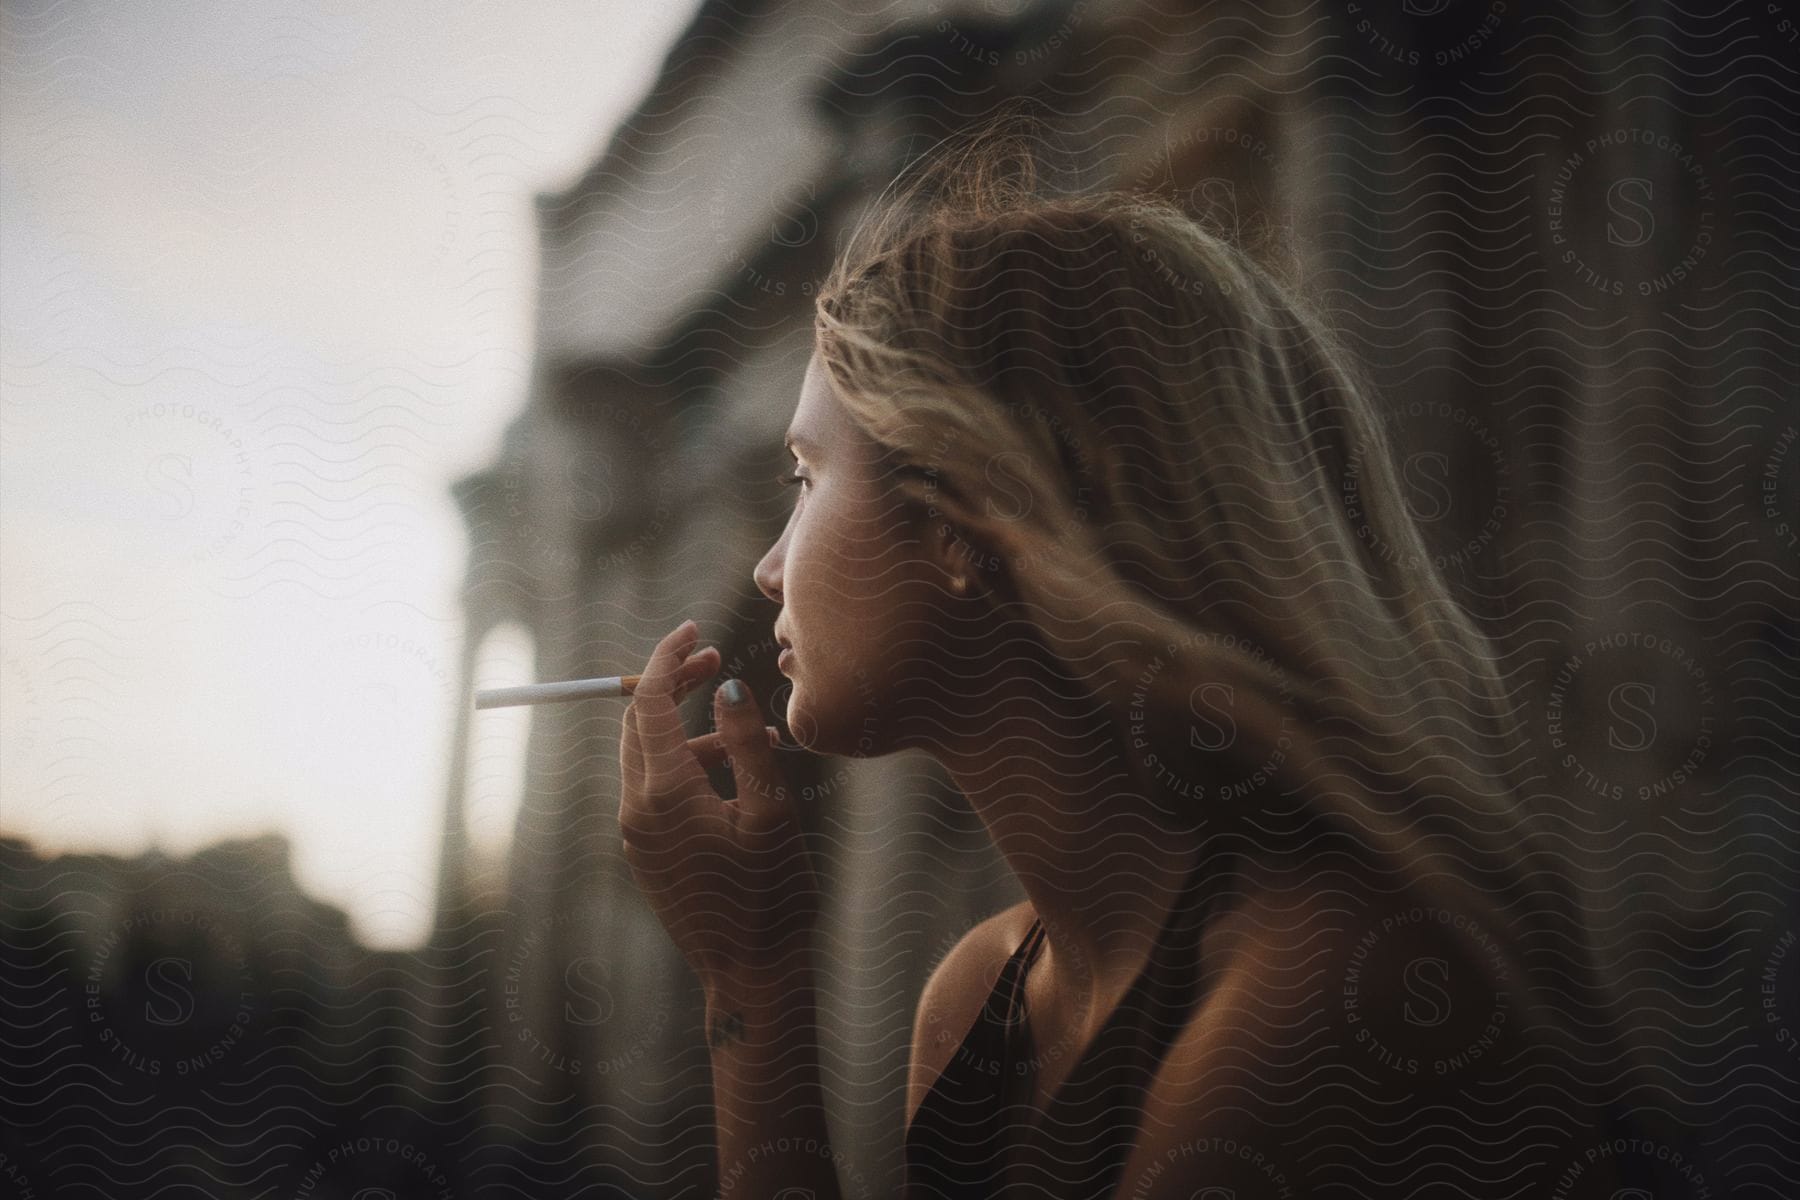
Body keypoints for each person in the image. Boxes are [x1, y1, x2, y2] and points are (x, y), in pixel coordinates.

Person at [617, 126, 1618, 1198]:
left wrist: (752, 981)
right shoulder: (980, 992)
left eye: (806, 477)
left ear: (968, 517)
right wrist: (754, 964)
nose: (768, 570)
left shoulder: (1335, 987)